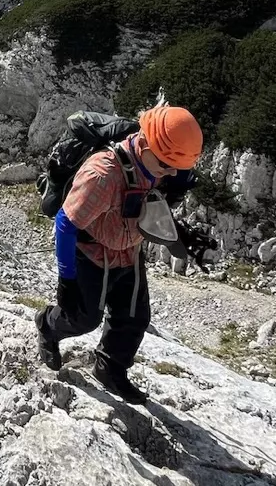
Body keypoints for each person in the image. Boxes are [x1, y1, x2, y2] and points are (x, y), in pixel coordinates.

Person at [34, 103, 204, 404]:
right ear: (146, 144)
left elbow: (151, 202)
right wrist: (67, 280)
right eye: (166, 165)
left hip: (129, 248)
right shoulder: (102, 175)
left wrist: (179, 234)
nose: (172, 173)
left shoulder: (160, 164)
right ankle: (47, 325)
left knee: (134, 317)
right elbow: (65, 224)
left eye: (175, 167)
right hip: (92, 252)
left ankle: (109, 368)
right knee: (83, 318)